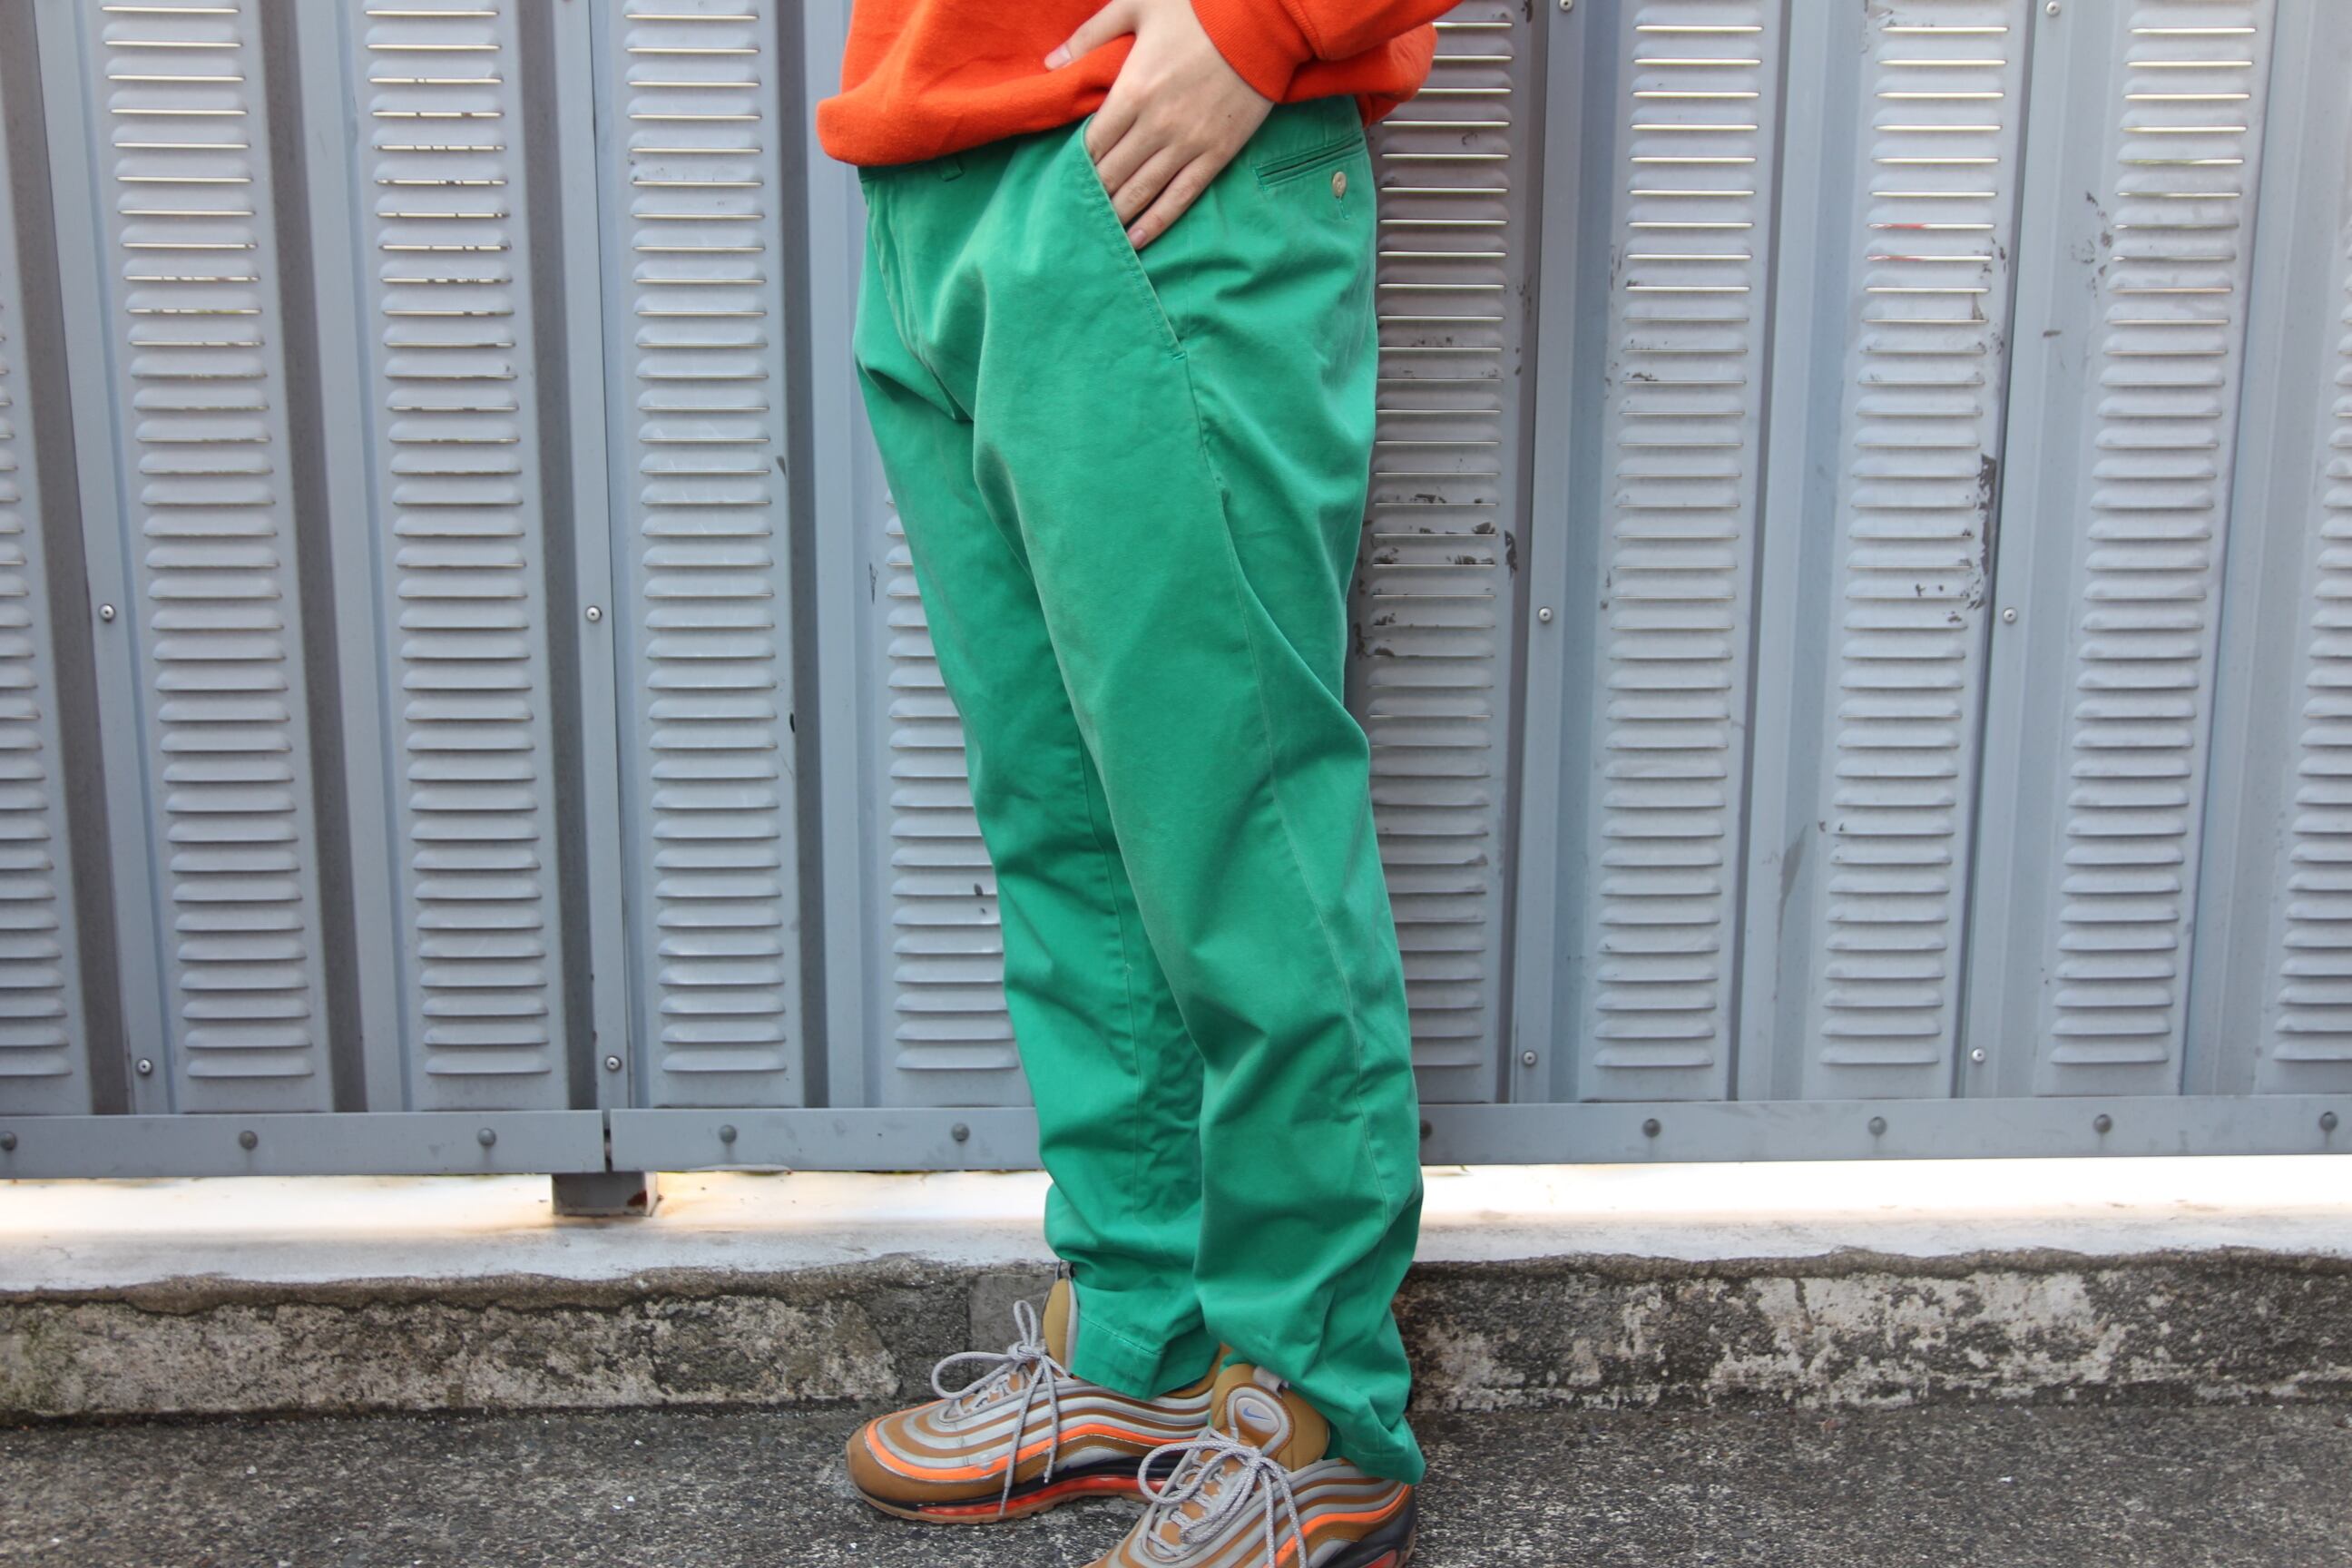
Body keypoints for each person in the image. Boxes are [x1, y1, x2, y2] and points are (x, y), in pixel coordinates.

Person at [819, 2, 1454, 1563]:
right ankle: (1141, 1343)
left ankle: (1315, 1406)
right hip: (932, 171)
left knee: (1236, 833)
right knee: (1068, 832)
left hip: (1156, 174)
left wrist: (1259, 24)